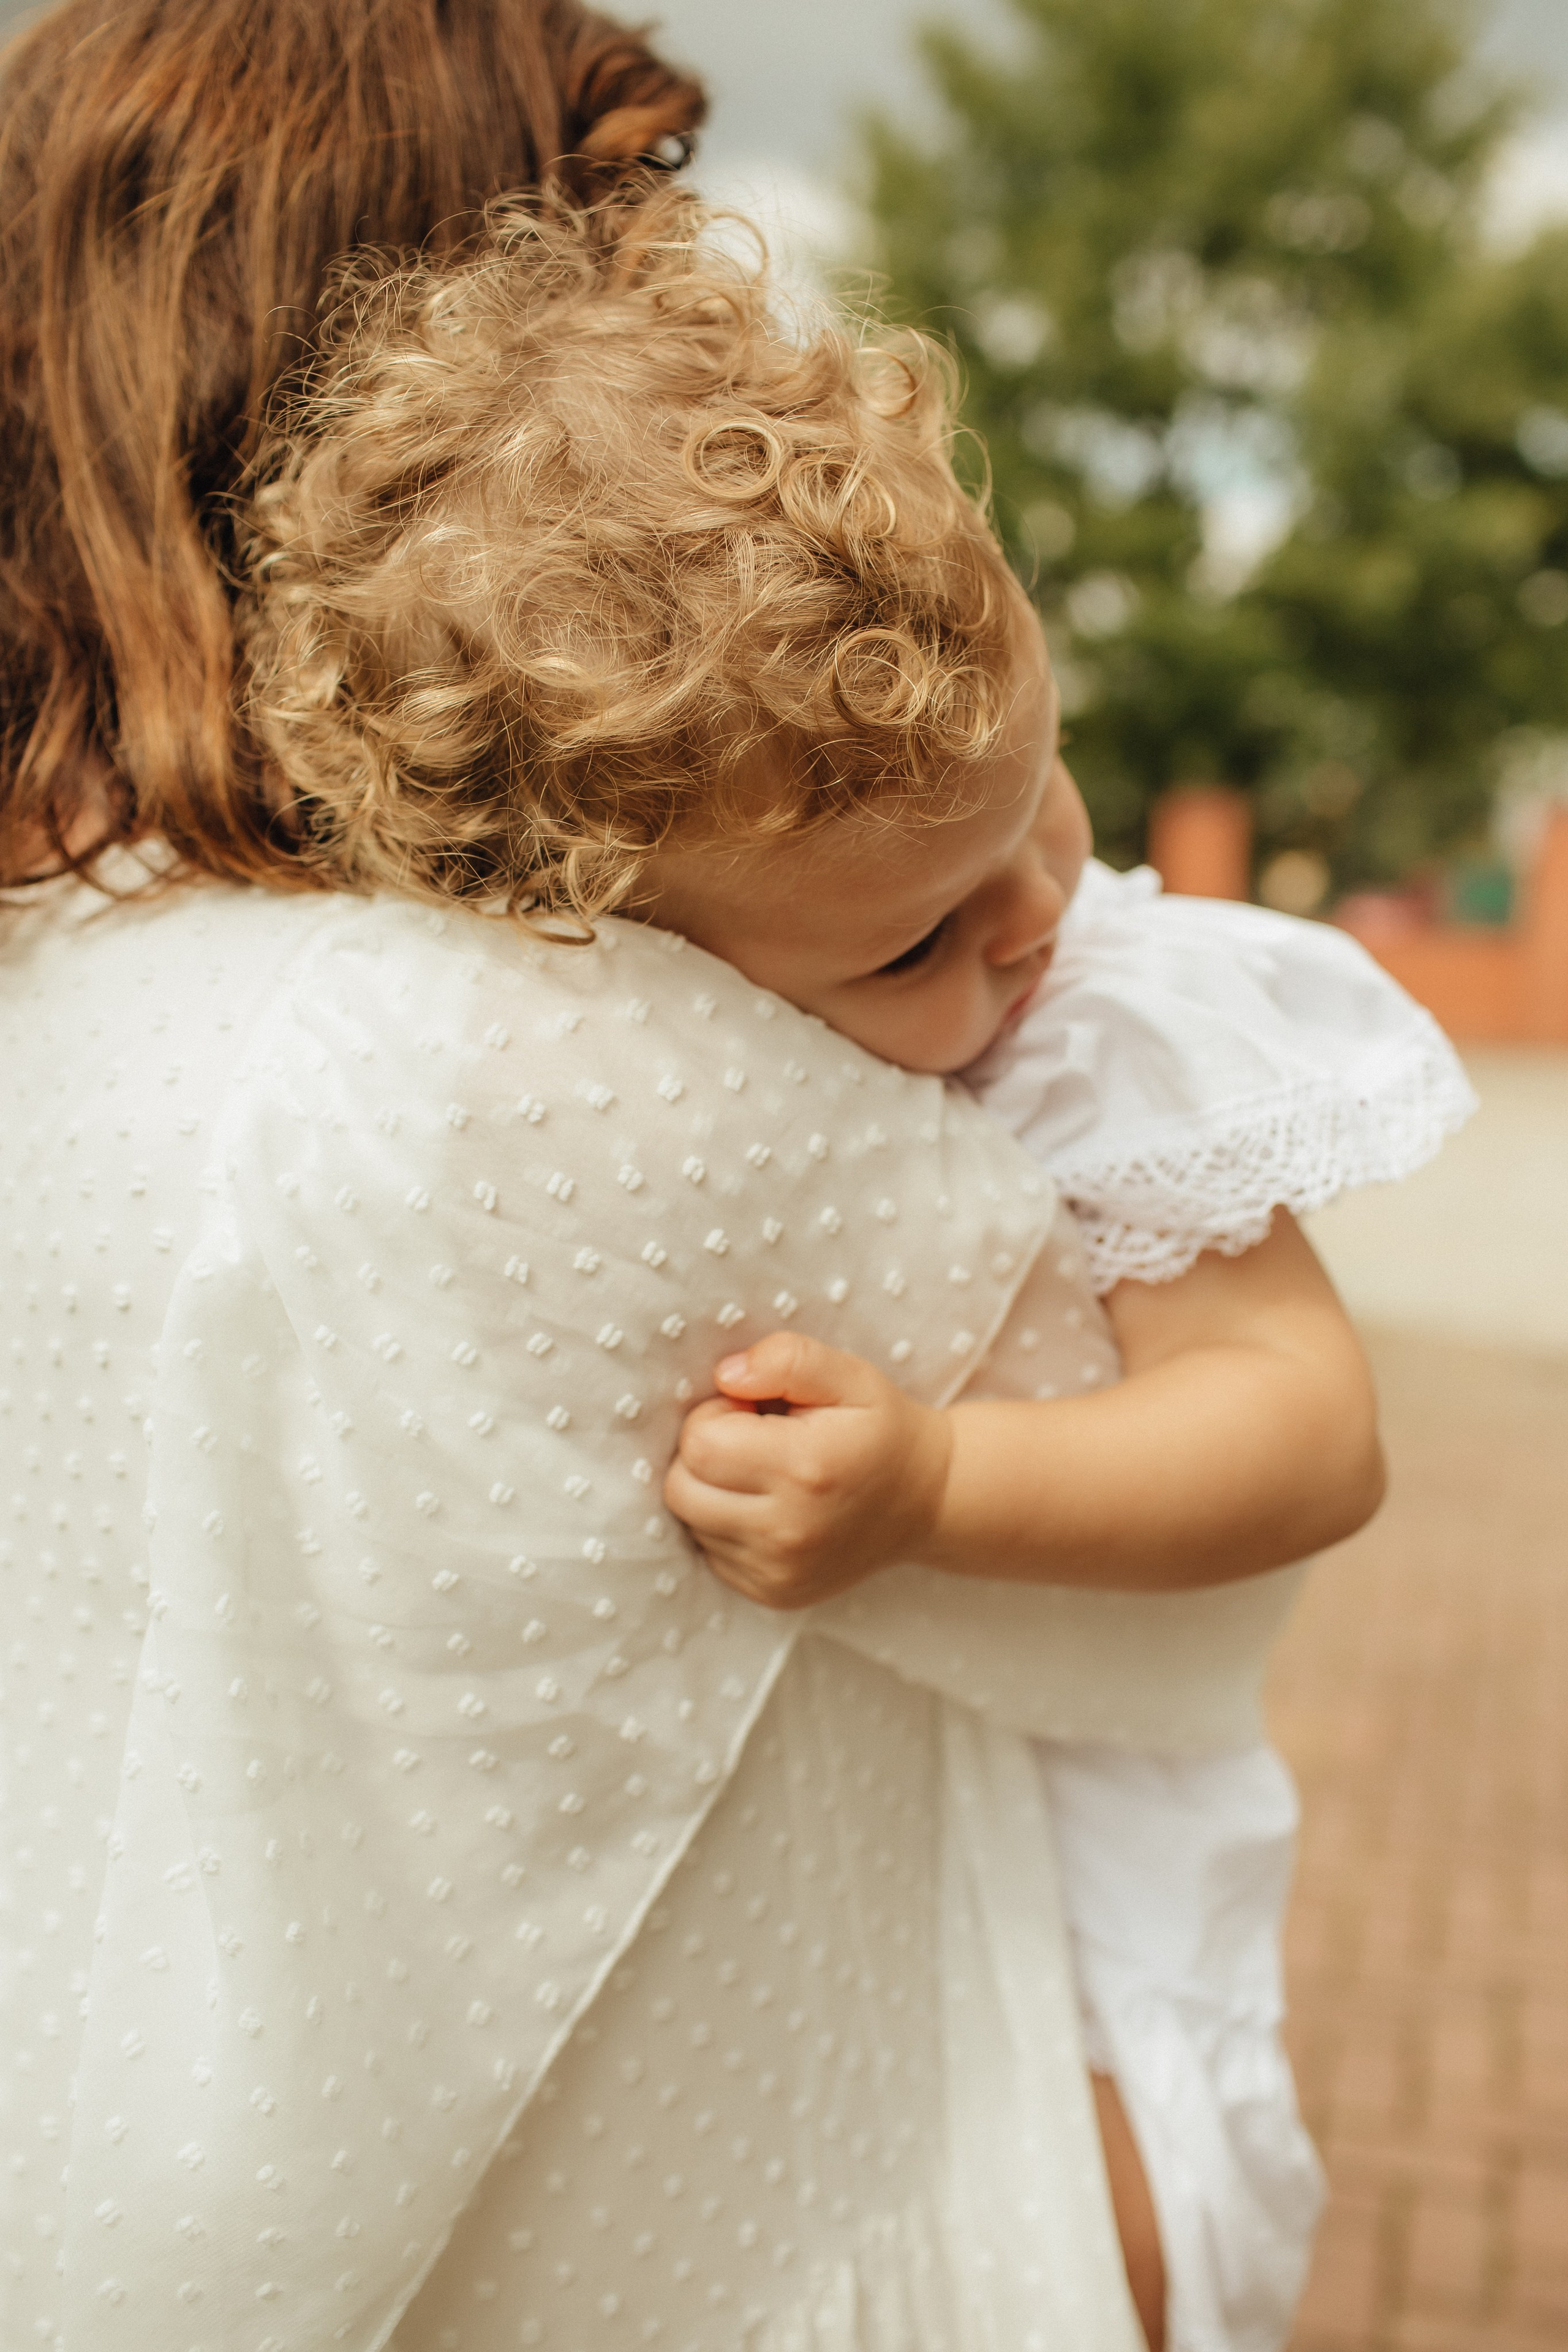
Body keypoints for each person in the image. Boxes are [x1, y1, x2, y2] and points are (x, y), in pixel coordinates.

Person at [1, 12, 1167, 2351]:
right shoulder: (486, 1038)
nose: (642, 279)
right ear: (351, 313)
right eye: (602, 194)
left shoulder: (86, 942)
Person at [231, 195, 1471, 2350]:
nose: (1028, 921)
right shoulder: (582, 1061)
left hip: (1092, 1836)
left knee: (1128, 2243)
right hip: (811, 1916)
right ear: (632, 963)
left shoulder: (1107, 1024)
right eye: (911, 937)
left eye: (1042, 797)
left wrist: (933, 1495)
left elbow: (1311, 1430)